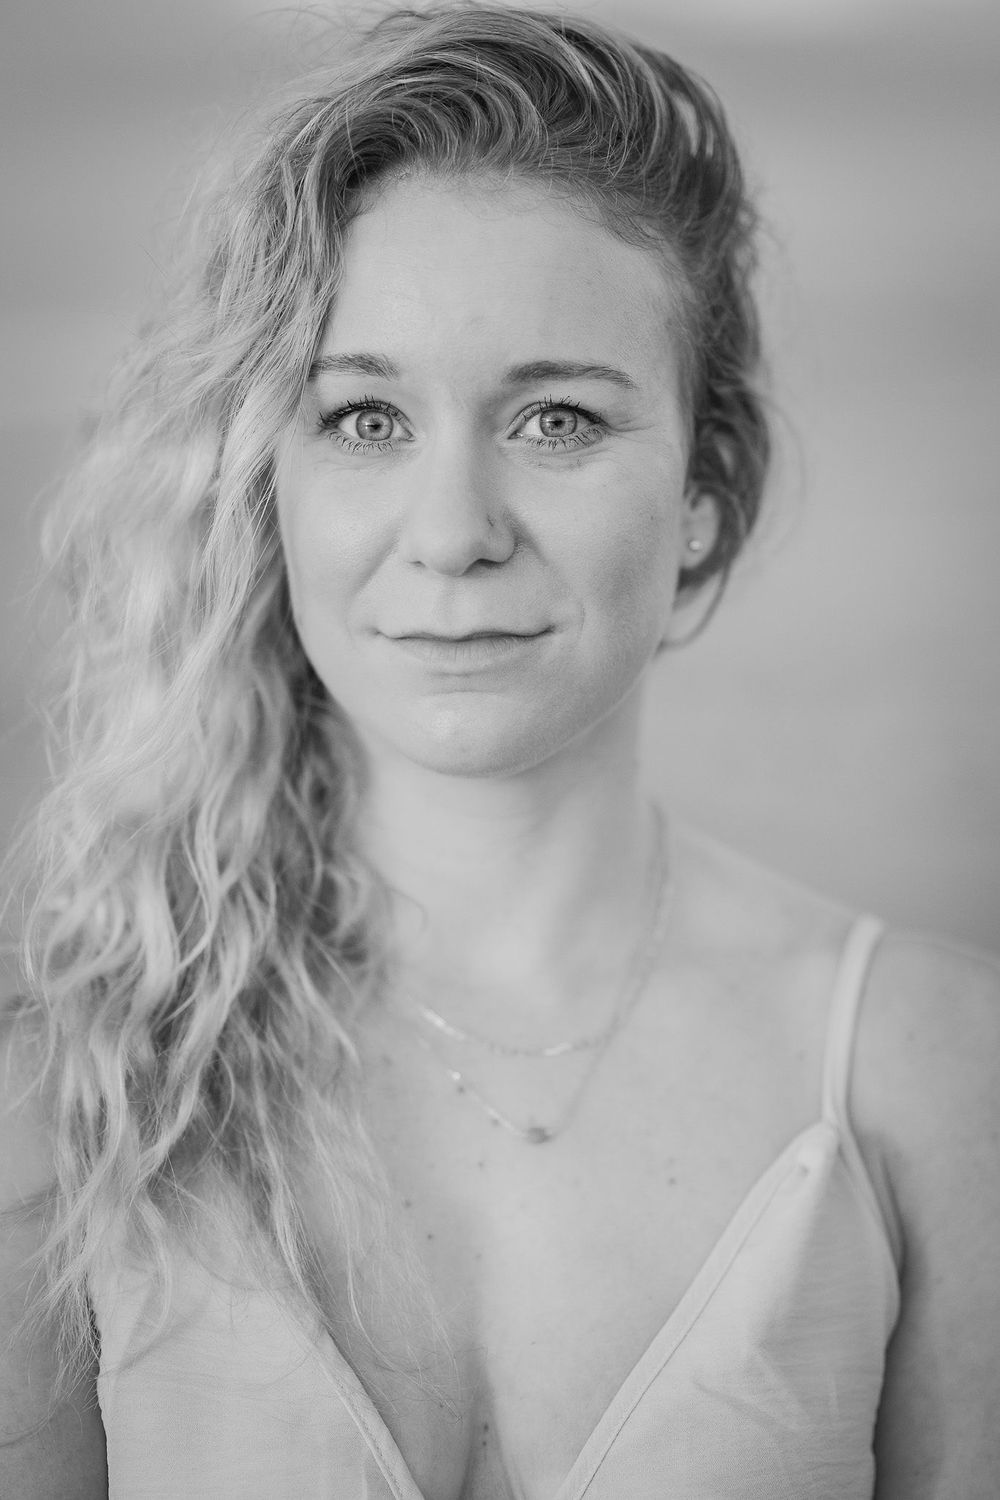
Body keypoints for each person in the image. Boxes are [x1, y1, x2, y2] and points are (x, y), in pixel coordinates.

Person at [2, 4, 998, 1497]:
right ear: (266, 483)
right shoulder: (78, 1093)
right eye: (364, 417)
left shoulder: (933, 1074)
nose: (456, 534)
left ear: (707, 494)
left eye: (554, 419)